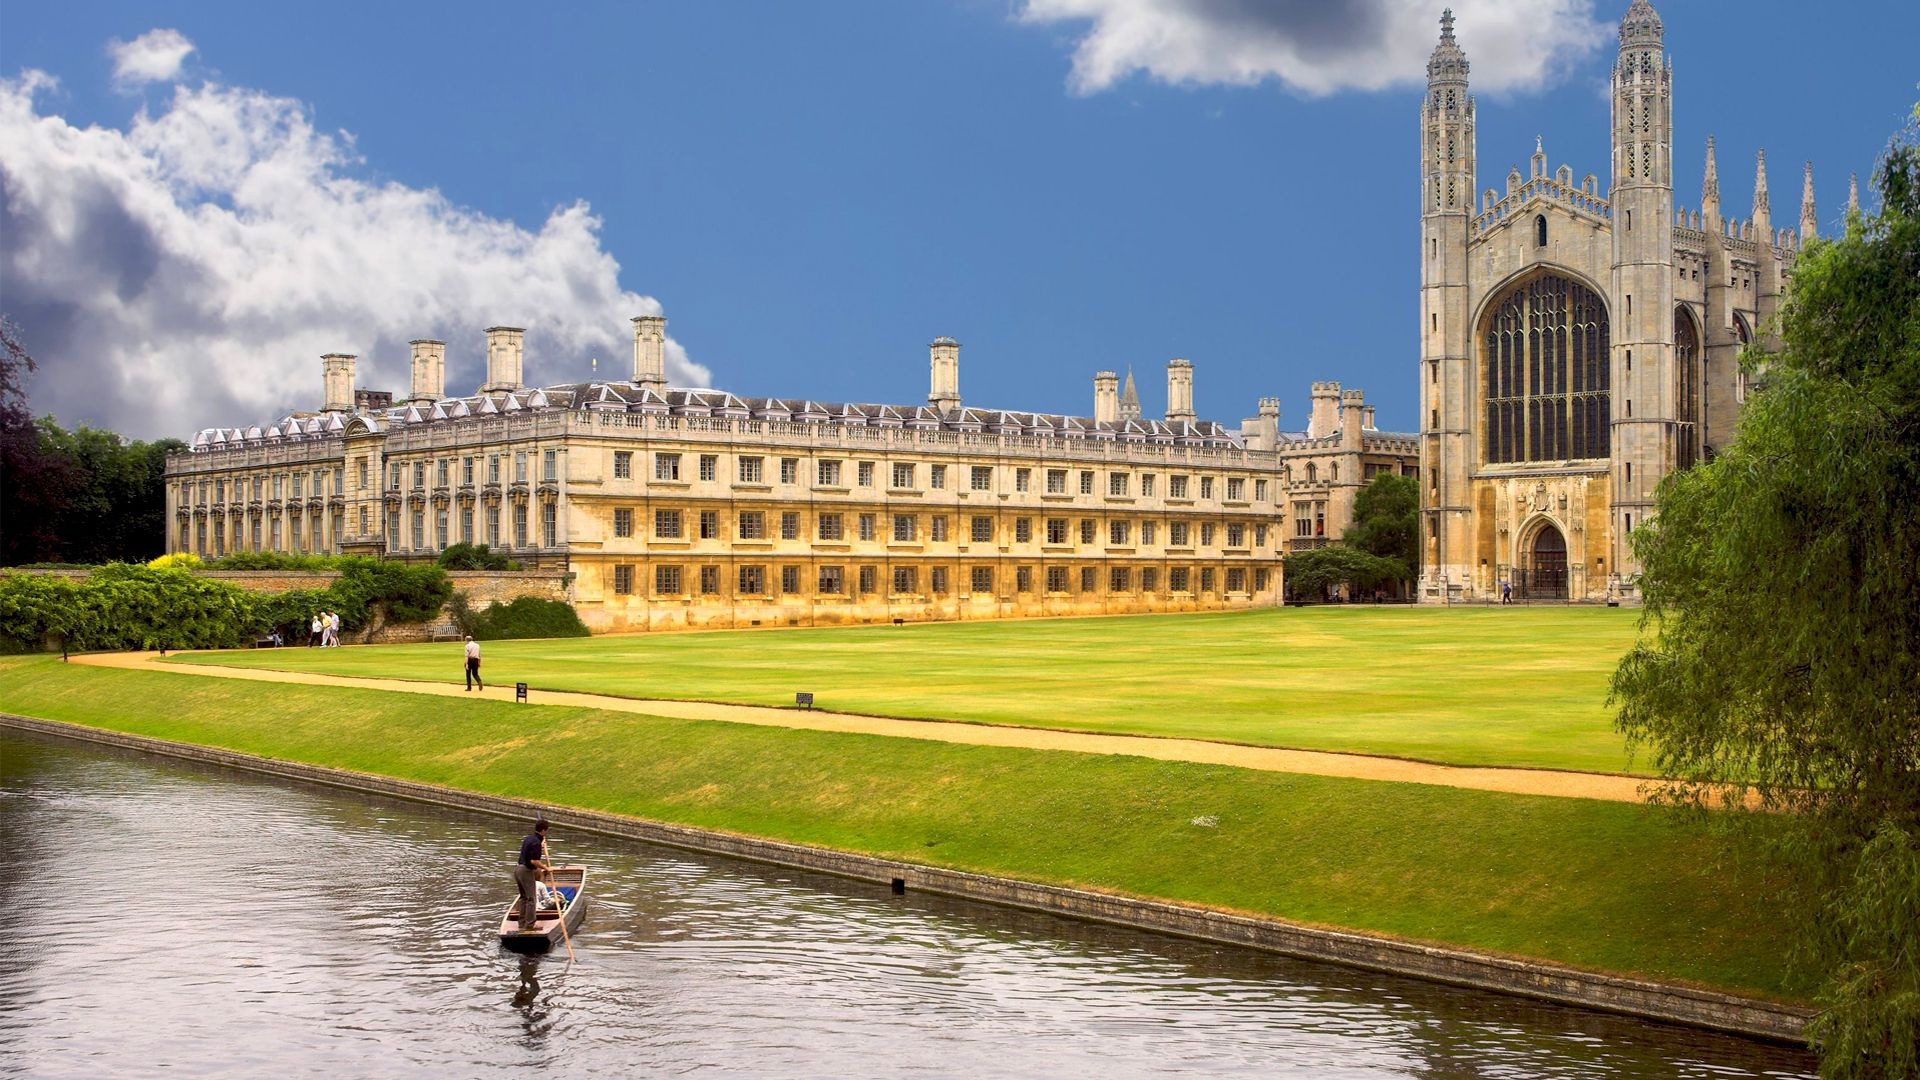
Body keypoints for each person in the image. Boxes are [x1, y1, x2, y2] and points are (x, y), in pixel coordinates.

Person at [513, 818, 551, 931]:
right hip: (526, 871)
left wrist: (541, 845)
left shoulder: (529, 838)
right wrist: (546, 868)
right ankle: (530, 925)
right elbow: (534, 861)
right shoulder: (536, 843)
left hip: (518, 870)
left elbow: (530, 850)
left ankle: (522, 923)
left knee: (524, 897)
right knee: (531, 898)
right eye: (547, 831)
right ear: (543, 830)